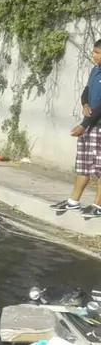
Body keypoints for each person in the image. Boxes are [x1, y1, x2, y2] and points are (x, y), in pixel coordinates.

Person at [52, 40, 101, 216]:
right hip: (89, 123)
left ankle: (98, 206)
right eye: (93, 51)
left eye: (97, 52)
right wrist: (85, 103)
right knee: (84, 165)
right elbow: (86, 90)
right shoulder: (95, 70)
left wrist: (84, 125)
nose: (93, 55)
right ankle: (74, 201)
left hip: (97, 126)